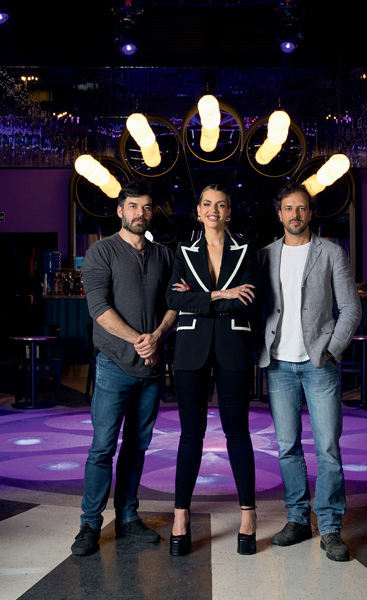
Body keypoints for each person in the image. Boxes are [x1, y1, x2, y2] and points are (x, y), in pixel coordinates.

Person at [256, 181, 361, 562]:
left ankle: (330, 527)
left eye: (301, 208)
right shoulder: (265, 255)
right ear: (279, 212)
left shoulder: (332, 253)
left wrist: (331, 350)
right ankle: (298, 518)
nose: (295, 215)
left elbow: (350, 309)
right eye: (288, 208)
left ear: (310, 213)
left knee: (328, 449)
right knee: (287, 448)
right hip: (279, 365)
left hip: (319, 365)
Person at [72, 180, 178, 556]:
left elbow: (175, 303)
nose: (140, 213)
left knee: (136, 447)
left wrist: (158, 335)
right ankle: (89, 524)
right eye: (133, 206)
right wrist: (140, 340)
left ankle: (128, 516)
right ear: (120, 210)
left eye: (147, 207)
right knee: (103, 447)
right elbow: (99, 310)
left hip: (151, 370)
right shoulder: (101, 252)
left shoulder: (164, 254)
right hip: (115, 366)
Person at [165, 184, 258, 556]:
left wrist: (198, 300)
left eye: (221, 204)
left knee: (238, 433)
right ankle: (180, 517)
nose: (213, 210)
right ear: (198, 210)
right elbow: (173, 297)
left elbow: (251, 301)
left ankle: (248, 517)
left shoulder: (246, 251)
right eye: (207, 204)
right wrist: (221, 295)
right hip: (190, 351)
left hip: (234, 348)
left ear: (229, 211)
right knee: (191, 434)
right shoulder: (184, 251)